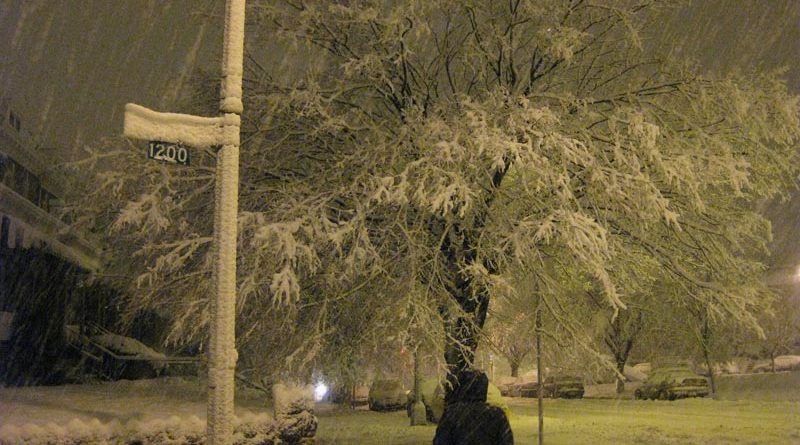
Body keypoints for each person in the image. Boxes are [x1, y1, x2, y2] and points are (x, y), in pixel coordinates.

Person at [433, 369, 513, 445]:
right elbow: (506, 441)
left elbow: (440, 441)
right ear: (484, 388)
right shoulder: (497, 415)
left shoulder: (452, 413)